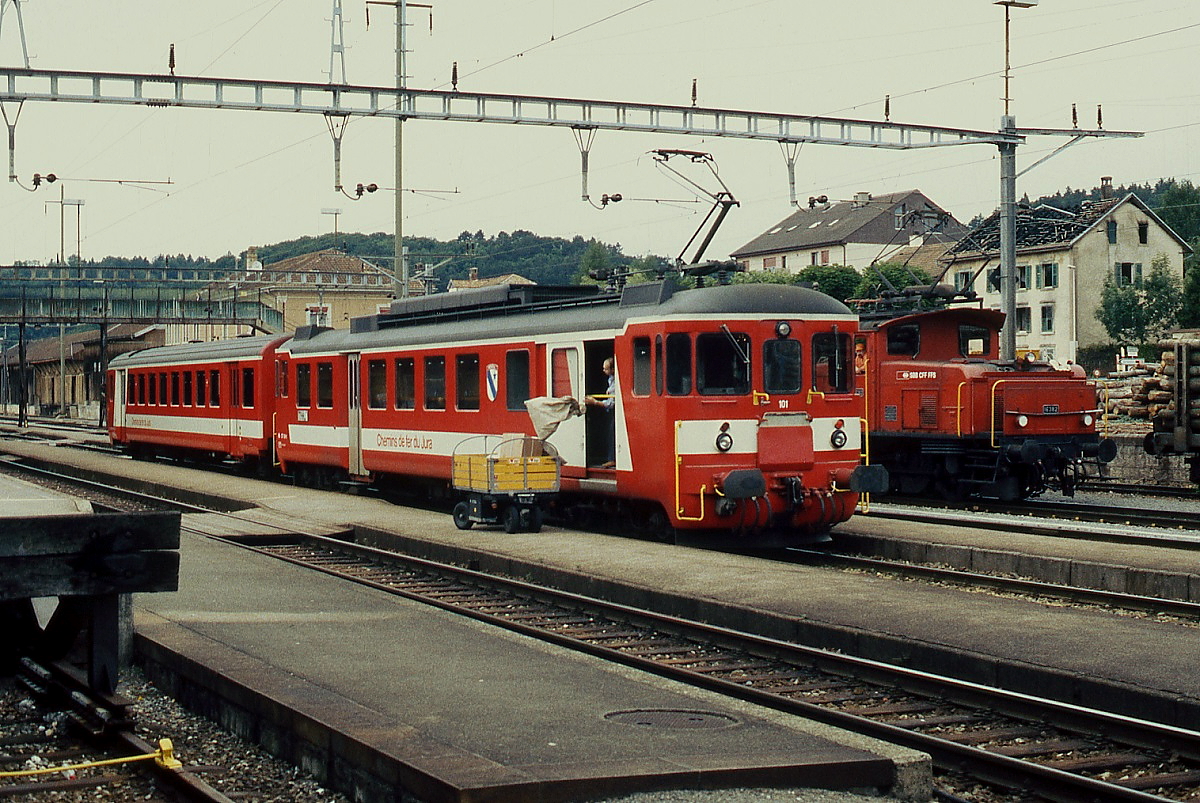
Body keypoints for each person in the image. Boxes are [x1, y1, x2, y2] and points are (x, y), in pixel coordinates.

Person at [584, 357, 616, 468]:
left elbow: (611, 403)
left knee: (612, 433)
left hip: (614, 411)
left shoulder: (615, 381)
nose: (603, 371)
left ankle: (612, 459)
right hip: (611, 411)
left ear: (613, 369)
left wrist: (595, 402)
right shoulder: (611, 378)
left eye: (606, 369)